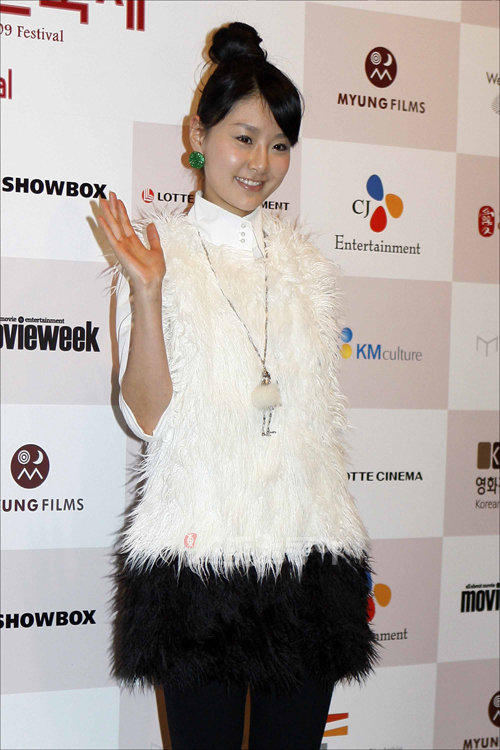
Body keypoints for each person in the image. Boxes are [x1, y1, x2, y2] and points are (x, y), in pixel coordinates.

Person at [98, 21, 379, 750]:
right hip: (200, 563)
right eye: (244, 138)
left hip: (309, 556)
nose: (261, 163)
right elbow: (146, 418)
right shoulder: (153, 256)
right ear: (199, 136)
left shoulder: (306, 269)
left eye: (279, 145)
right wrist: (148, 293)